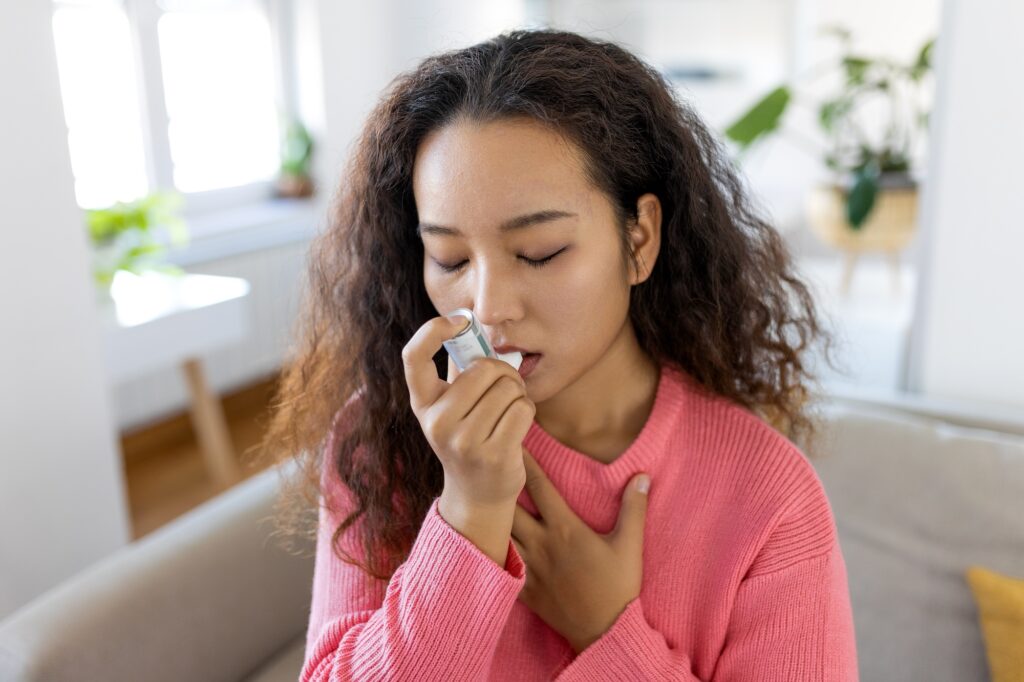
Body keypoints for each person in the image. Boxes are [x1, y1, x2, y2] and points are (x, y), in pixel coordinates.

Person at [255, 28, 858, 681]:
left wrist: (606, 631)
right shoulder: (381, 439)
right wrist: (470, 511)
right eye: (450, 258)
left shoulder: (769, 497)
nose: (486, 308)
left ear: (640, 238)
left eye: (539, 252)